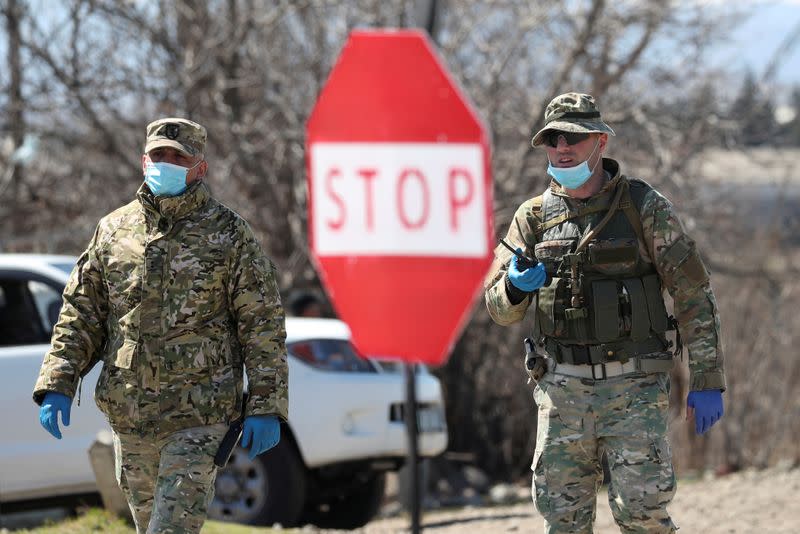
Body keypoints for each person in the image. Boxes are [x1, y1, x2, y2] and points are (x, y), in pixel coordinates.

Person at [33, 118, 288, 534]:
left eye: (178, 157)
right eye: (158, 155)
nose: (165, 163)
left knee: (170, 530)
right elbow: (81, 312)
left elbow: (261, 323)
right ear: (143, 160)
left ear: (199, 167)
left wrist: (266, 405)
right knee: (149, 525)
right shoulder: (113, 231)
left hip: (199, 414)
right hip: (130, 414)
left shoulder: (229, 235)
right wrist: (58, 382)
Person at [484, 93, 725, 533]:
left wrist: (707, 378)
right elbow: (497, 307)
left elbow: (693, 292)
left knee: (644, 515)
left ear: (600, 142)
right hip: (561, 391)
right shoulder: (533, 217)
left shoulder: (643, 207)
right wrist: (515, 288)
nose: (562, 147)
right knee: (563, 521)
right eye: (553, 138)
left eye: (573, 137)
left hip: (634, 387)